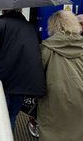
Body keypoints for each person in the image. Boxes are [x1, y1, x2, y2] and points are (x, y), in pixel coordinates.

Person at [0, 9, 46, 131]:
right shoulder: (31, 27)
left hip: (1, 80)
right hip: (22, 81)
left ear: (3, 10)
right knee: (11, 116)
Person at [37, 10, 83, 141]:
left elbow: (37, 73)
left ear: (52, 26)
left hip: (55, 100)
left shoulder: (46, 47)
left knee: (53, 132)